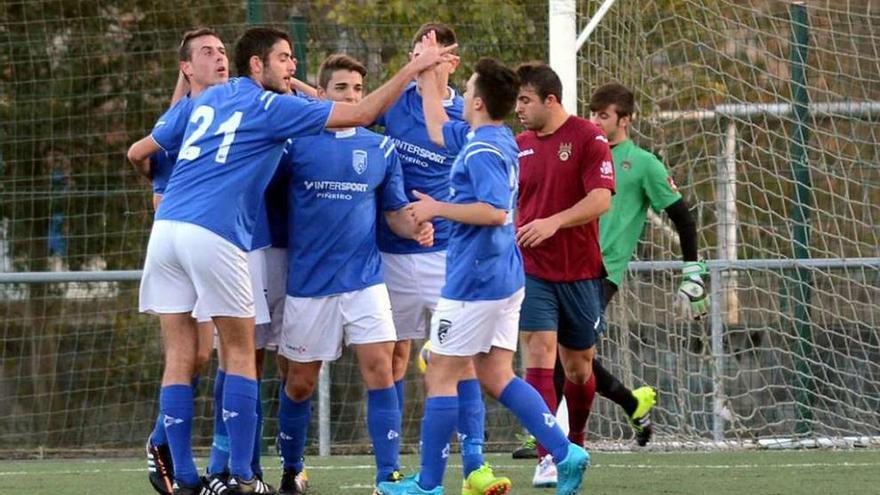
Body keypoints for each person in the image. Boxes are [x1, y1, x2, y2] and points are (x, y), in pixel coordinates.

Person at [128, 26, 456, 495]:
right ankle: (242, 476)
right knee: (241, 355)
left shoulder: (204, 101)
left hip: (166, 232)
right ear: (258, 65)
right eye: (284, 58)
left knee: (184, 357)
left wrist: (160, 189)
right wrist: (415, 68)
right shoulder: (269, 108)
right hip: (217, 234)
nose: (293, 66)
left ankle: (182, 477)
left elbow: (143, 152)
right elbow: (361, 112)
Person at [377, 58, 589, 495]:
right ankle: (566, 453)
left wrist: (437, 208)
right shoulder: (495, 137)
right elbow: (438, 124)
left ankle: (430, 485)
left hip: (475, 281)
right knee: (496, 376)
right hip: (502, 278)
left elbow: (494, 212)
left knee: (440, 372)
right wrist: (427, 70)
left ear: (474, 101)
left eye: (467, 86)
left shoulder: (483, 151)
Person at [274, 54, 434, 495]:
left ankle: (388, 476)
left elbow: (396, 215)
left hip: (365, 281)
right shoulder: (295, 144)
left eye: (358, 90)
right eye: (341, 89)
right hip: (308, 285)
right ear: (322, 94)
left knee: (381, 370)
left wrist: (416, 225)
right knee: (300, 383)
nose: (351, 96)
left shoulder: (380, 148)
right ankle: (292, 469)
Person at [375, 22, 504, 492]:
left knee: (460, 359)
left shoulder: (467, 115)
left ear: (452, 61)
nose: (424, 62)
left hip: (447, 253)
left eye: (434, 54)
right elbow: (344, 105)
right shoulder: (393, 103)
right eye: (417, 53)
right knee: (391, 356)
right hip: (389, 250)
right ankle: (389, 466)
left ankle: (473, 464)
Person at [127, 28, 228, 495]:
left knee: (202, 356)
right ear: (187, 68)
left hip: (207, 241)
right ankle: (183, 472)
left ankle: (158, 439)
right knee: (181, 353)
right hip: (174, 242)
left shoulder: (226, 113)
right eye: (208, 52)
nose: (219, 57)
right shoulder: (180, 121)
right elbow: (141, 152)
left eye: (223, 51)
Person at [512, 62, 617, 488]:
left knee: (578, 369)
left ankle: (575, 441)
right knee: (538, 354)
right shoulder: (516, 145)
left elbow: (600, 201)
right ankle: (549, 455)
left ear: (550, 100)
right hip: (531, 270)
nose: (517, 108)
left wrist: (554, 221)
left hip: (580, 272)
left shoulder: (588, 137)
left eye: (525, 100)